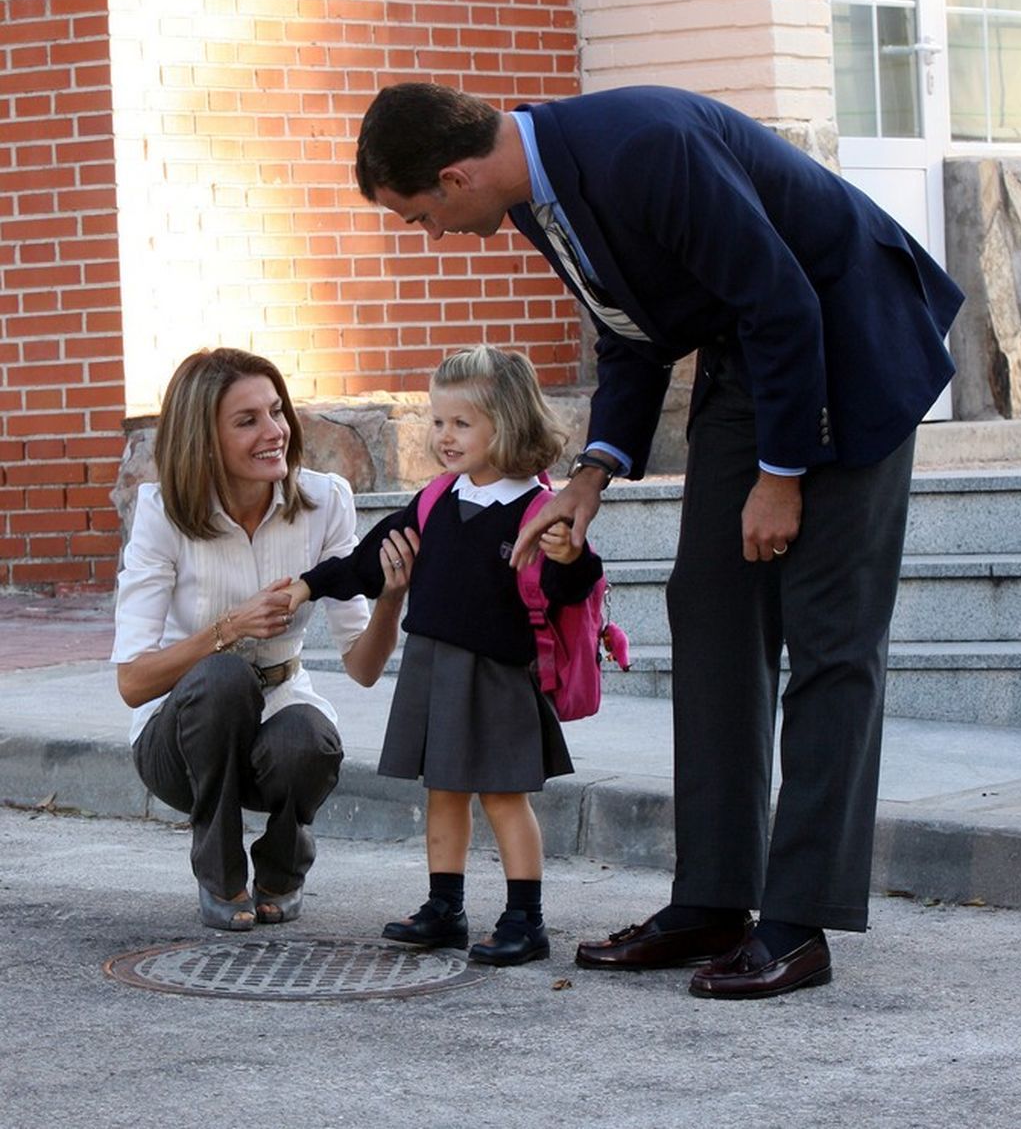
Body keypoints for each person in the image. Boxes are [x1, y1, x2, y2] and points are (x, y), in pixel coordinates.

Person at [351, 82, 965, 997]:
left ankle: (798, 925)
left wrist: (782, 475)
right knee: (712, 613)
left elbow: (786, 297)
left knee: (831, 638)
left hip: (849, 341)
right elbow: (627, 332)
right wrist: (587, 481)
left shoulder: (642, 146)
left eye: (421, 216)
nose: (431, 234)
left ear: (455, 173)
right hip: (754, 351)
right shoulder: (533, 193)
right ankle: (714, 900)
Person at [285, 346, 603, 966]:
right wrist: (308, 584)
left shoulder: (539, 512)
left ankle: (525, 918)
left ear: (507, 425)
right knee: (443, 794)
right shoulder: (435, 501)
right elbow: (368, 559)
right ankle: (444, 907)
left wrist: (569, 557)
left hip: (497, 676)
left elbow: (573, 583)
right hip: (433, 668)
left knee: (505, 797)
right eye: (437, 421)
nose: (444, 436)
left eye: (462, 423)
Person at [111, 347, 412, 932]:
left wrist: (392, 597)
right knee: (222, 678)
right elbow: (132, 682)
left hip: (277, 711)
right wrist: (230, 628)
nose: (275, 432)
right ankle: (220, 877)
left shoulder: (325, 501)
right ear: (203, 439)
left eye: (276, 412)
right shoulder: (163, 512)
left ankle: (281, 869)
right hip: (178, 742)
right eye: (247, 421)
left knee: (311, 738)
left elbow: (364, 667)